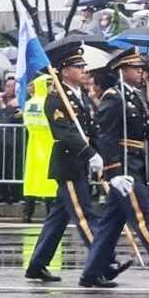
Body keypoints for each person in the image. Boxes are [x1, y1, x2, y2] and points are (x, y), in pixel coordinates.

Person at [79, 47, 149, 289]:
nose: (141, 72)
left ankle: (92, 272)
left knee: (110, 225)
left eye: (141, 68)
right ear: (122, 70)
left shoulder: (135, 96)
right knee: (143, 218)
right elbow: (106, 138)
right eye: (135, 68)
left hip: (135, 164)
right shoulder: (114, 97)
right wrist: (114, 173)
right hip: (124, 168)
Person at [25, 44, 132, 284]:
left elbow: (91, 130)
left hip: (79, 163)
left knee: (58, 219)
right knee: (85, 215)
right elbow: (66, 133)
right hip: (68, 164)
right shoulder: (55, 98)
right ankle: (104, 262)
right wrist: (88, 153)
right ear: (64, 71)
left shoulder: (79, 96)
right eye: (78, 66)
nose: (84, 70)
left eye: (84, 66)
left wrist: (103, 156)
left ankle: (37, 264)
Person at [22, 75, 56, 223]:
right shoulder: (48, 103)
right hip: (48, 143)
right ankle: (50, 214)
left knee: (31, 179)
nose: (52, 88)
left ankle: (27, 214)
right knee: (49, 181)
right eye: (50, 85)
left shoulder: (29, 103)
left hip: (33, 143)